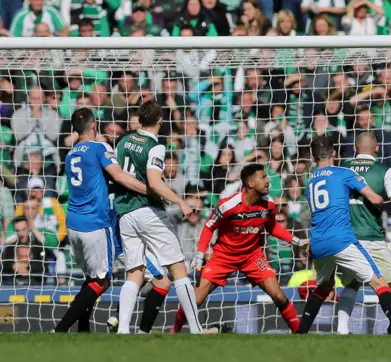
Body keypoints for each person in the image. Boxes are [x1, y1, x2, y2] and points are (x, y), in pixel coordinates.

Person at [171, 164, 309, 334]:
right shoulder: (229, 205)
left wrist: (296, 240)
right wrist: (200, 253)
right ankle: (173, 332)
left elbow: (272, 228)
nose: (268, 181)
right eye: (263, 177)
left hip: (252, 256)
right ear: (250, 183)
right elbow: (208, 226)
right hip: (224, 256)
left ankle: (300, 334)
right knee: (196, 298)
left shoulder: (269, 204)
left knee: (279, 295)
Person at [295, 135, 391, 335]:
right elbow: (374, 198)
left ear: (313, 157)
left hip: (318, 242)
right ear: (335, 153)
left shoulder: (311, 179)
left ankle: (301, 330)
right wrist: (382, 200)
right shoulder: (343, 173)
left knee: (324, 285)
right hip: (342, 240)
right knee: (379, 282)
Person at [54, 108, 148, 333]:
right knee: (102, 282)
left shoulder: (70, 154)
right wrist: (150, 189)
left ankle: (83, 329)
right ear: (94, 126)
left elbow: (96, 180)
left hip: (74, 224)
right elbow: (119, 176)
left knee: (91, 278)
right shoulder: (100, 148)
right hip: (95, 223)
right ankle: (60, 329)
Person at [113, 100, 202, 334]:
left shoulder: (122, 142)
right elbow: (153, 182)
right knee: (178, 268)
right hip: (147, 210)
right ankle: (196, 329)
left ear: (139, 120)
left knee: (134, 272)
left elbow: (117, 175)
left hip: (124, 213)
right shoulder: (156, 147)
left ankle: (123, 330)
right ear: (160, 121)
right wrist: (180, 201)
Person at [335, 133, 391, 335]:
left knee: (352, 283)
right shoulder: (384, 170)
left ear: (354, 149)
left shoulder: (341, 168)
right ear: (377, 149)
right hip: (371, 237)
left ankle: (342, 330)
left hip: (345, 238)